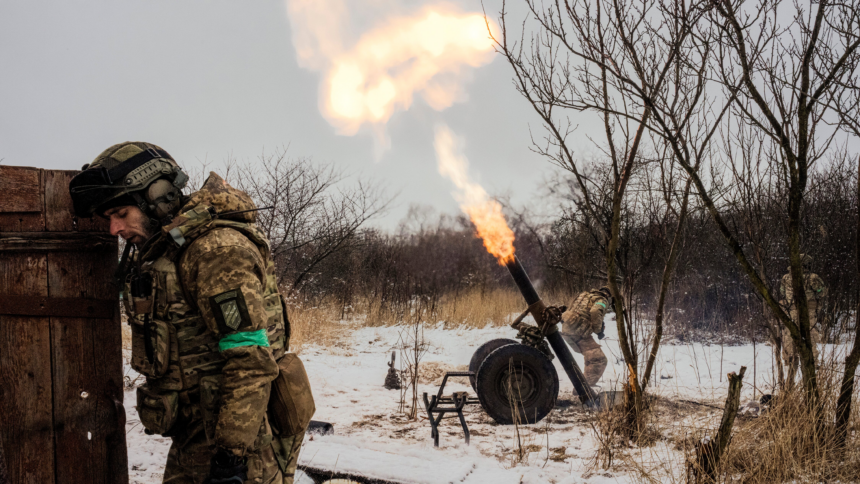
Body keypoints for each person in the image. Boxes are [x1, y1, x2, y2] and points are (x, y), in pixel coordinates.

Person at [69, 142, 305, 484]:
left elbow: (251, 358)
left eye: (120, 214)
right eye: (109, 219)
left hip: (241, 447)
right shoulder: (176, 249)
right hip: (199, 439)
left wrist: (231, 460)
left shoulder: (216, 251)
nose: (114, 230)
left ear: (159, 196)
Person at [778, 254, 827, 377]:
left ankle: (789, 358)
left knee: (789, 333)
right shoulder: (813, 277)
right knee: (810, 334)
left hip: (791, 310)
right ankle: (813, 361)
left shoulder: (786, 278)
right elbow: (822, 291)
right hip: (808, 311)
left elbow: (782, 292)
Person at [560, 286, 612, 387]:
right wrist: (599, 331)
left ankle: (582, 385)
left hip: (567, 329)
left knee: (590, 357)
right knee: (599, 360)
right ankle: (586, 389)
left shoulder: (584, 295)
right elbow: (595, 311)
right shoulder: (602, 299)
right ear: (607, 295)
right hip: (578, 332)